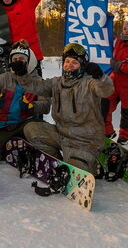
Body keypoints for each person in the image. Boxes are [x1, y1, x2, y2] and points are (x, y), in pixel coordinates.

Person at [24, 43, 114, 173]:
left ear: (82, 65)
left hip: (84, 141)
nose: (69, 65)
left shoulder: (90, 83)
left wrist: (100, 77)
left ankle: (91, 164)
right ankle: (56, 162)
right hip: (61, 135)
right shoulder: (57, 82)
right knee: (31, 129)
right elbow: (37, 86)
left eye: (74, 62)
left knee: (77, 173)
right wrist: (22, 75)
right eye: (67, 61)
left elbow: (106, 90)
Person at [0, 40, 50, 153]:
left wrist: (31, 106)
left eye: (21, 59)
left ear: (29, 61)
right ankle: (10, 147)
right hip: (4, 125)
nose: (18, 62)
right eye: (15, 59)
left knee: (38, 131)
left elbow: (46, 105)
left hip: (26, 123)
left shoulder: (38, 82)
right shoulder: (4, 78)